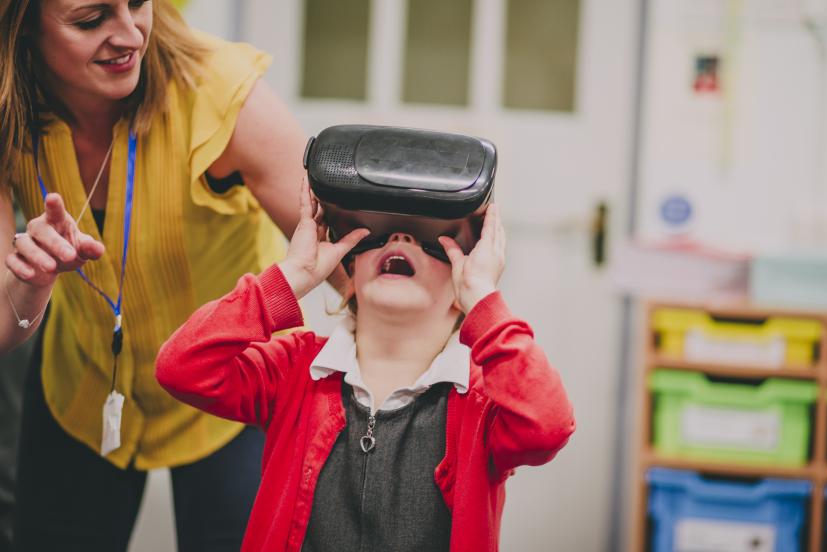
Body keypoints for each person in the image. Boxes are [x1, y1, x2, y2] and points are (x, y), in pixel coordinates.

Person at [0, 0, 319, 549]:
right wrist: (30, 284)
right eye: (92, 18)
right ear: (21, 24)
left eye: (139, 0)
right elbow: (3, 322)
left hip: (234, 391)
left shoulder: (219, 92)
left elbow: (344, 251)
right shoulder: (7, 112)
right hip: (83, 384)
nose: (129, 36)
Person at [155, 176, 577, 551]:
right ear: (351, 271)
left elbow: (547, 427)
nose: (400, 239)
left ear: (460, 287)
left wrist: (485, 301)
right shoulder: (296, 370)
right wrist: (290, 276)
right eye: (377, 234)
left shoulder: (482, 401)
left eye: (430, 237)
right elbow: (182, 367)